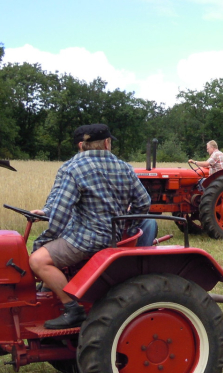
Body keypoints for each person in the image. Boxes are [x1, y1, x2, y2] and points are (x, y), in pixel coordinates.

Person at [29, 123, 155, 329]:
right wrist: (127, 226)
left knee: (38, 261)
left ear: (82, 145)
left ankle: (72, 309)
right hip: (115, 237)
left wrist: (44, 240)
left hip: (86, 239)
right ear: (106, 143)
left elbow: (61, 212)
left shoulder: (73, 168)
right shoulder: (124, 167)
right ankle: (51, 292)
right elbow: (144, 202)